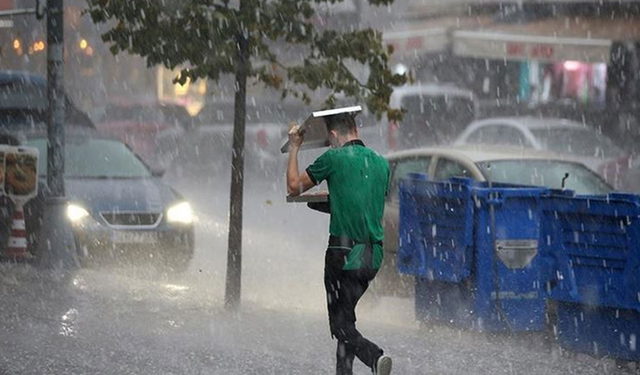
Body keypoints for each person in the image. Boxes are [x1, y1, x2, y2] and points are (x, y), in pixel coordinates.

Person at [286, 112, 393, 375]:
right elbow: (363, 203)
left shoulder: (333, 158)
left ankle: (374, 356)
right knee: (346, 319)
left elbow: (293, 186)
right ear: (355, 128)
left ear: (333, 135)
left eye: (330, 140)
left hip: (343, 254)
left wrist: (294, 148)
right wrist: (334, 198)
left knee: (340, 325)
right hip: (372, 257)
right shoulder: (381, 164)